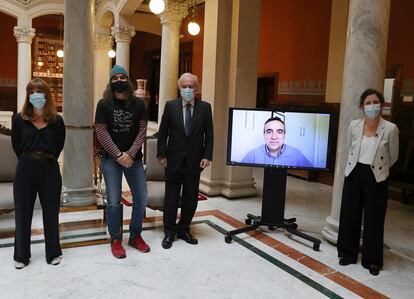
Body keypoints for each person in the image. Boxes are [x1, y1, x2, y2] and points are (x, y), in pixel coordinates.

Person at [337, 88, 399, 276]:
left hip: (377, 176)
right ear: (362, 107)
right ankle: (347, 253)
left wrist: (381, 170)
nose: (372, 106)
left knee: (374, 219)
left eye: (375, 102)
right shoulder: (354, 125)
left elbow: (393, 156)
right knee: (350, 214)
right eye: (368, 103)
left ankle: (372, 260)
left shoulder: (390, 128)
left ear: (381, 105)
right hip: (355, 172)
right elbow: (349, 146)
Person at [95, 65, 149, 259]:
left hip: (134, 159)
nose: (119, 80)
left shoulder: (139, 104)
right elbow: (101, 132)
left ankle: (135, 236)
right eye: (115, 77)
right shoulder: (103, 104)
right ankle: (116, 239)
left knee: (141, 199)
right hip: (110, 159)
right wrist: (119, 155)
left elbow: (142, 131)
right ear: (110, 82)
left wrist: (130, 154)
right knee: (114, 202)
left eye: (122, 77)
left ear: (128, 80)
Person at [11, 78, 65, 269]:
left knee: (51, 212)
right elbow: (16, 145)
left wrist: (44, 156)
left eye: (39, 91)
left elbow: (59, 145)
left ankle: (53, 253)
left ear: (47, 94)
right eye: (32, 91)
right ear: (28, 95)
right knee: (23, 212)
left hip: (49, 168)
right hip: (25, 167)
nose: (36, 94)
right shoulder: (19, 119)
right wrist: (30, 157)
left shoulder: (57, 121)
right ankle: (21, 256)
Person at [157, 72, 214, 249]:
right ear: (179, 87)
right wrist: (161, 155)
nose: (188, 89)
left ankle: (183, 229)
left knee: (191, 199)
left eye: (191, 86)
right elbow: (163, 133)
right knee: (171, 198)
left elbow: (209, 136)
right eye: (184, 86)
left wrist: (207, 156)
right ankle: (169, 233)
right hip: (173, 160)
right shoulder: (170, 106)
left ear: (196, 89)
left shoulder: (205, 108)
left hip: (195, 162)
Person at [241, 117, 312, 167]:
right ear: (264, 135)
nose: (274, 137)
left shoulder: (297, 154)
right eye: (269, 132)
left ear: (284, 135)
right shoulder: (252, 155)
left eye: (279, 132)